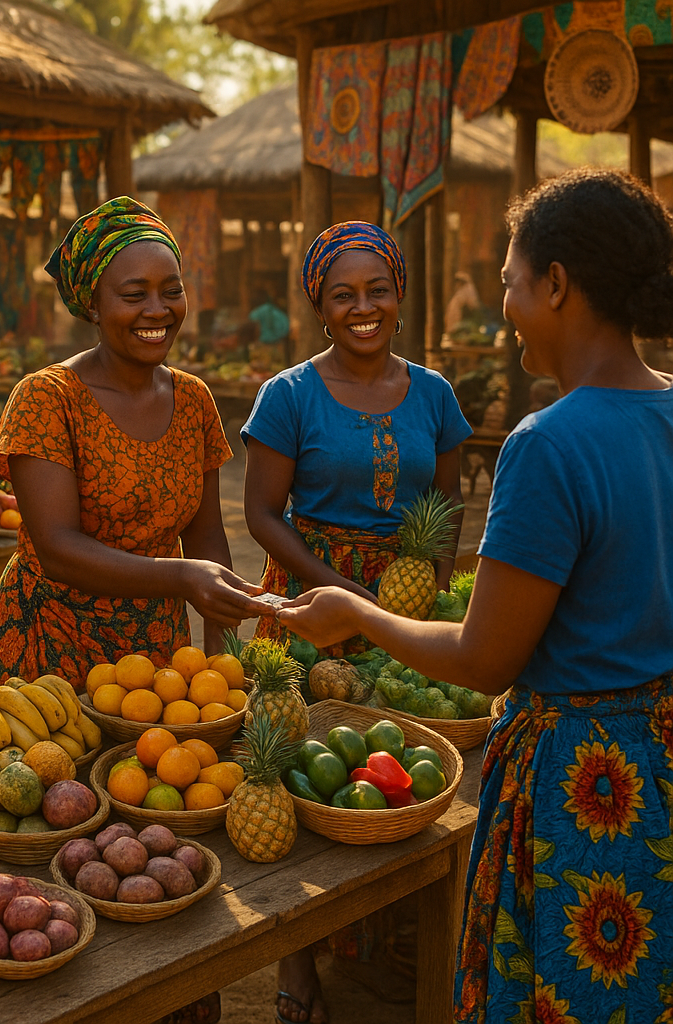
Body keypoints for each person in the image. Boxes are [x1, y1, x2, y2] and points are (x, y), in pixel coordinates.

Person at [276, 169, 673, 1024]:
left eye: (509, 281)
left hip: (580, 778)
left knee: (568, 986)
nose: (502, 303)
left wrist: (358, 613)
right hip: (665, 757)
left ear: (557, 284)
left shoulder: (548, 443)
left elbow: (486, 658)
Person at [240, 221, 469, 1024]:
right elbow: (261, 513)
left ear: (400, 296)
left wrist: (428, 586)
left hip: (403, 611)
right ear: (319, 307)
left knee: (393, 776)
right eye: (344, 294)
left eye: (377, 289)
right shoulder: (289, 394)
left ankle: (388, 944)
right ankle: (296, 965)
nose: (363, 306)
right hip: (308, 599)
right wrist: (336, 592)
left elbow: (448, 504)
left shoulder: (436, 394)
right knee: (300, 777)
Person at [0, 197, 267, 700]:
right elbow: (57, 549)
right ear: (92, 304)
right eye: (134, 294)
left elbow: (206, 536)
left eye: (171, 291)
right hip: (53, 644)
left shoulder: (194, 399)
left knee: (158, 772)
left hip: (159, 657)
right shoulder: (47, 398)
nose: (157, 310)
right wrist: (183, 577)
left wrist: (221, 661)